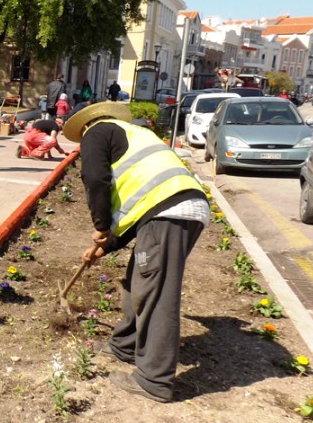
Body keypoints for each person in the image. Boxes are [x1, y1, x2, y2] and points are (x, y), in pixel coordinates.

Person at [63, 102, 209, 403]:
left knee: (157, 293)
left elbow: (95, 179)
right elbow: (139, 204)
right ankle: (125, 345)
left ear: (84, 126)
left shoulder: (95, 133)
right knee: (138, 281)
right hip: (173, 209)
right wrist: (106, 246)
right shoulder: (133, 133)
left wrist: (101, 225)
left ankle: (154, 380)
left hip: (169, 213)